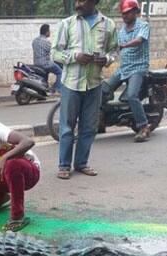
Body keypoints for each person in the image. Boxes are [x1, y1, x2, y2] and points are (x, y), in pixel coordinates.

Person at [52, 0, 117, 180]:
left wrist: (107, 59)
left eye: (82, 0)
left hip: (94, 84)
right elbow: (55, 53)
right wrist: (75, 56)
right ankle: (64, 165)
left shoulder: (108, 25)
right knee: (67, 127)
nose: (78, 4)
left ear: (94, 2)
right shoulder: (67, 24)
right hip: (71, 84)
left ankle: (81, 163)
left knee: (89, 127)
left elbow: (114, 51)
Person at [103, 0, 151, 142]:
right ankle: (101, 121)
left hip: (138, 68)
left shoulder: (143, 26)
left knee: (131, 96)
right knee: (103, 90)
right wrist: (105, 59)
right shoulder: (122, 31)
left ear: (135, 12)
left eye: (128, 12)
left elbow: (139, 40)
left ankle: (144, 127)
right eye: (123, 13)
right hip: (123, 68)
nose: (125, 16)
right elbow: (114, 50)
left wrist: (124, 45)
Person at [32, 24, 62, 93]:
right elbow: (55, 50)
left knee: (45, 74)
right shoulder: (46, 42)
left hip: (36, 64)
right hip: (45, 64)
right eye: (49, 31)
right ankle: (56, 88)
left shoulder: (34, 41)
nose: (50, 32)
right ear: (47, 32)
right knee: (60, 72)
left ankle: (44, 90)